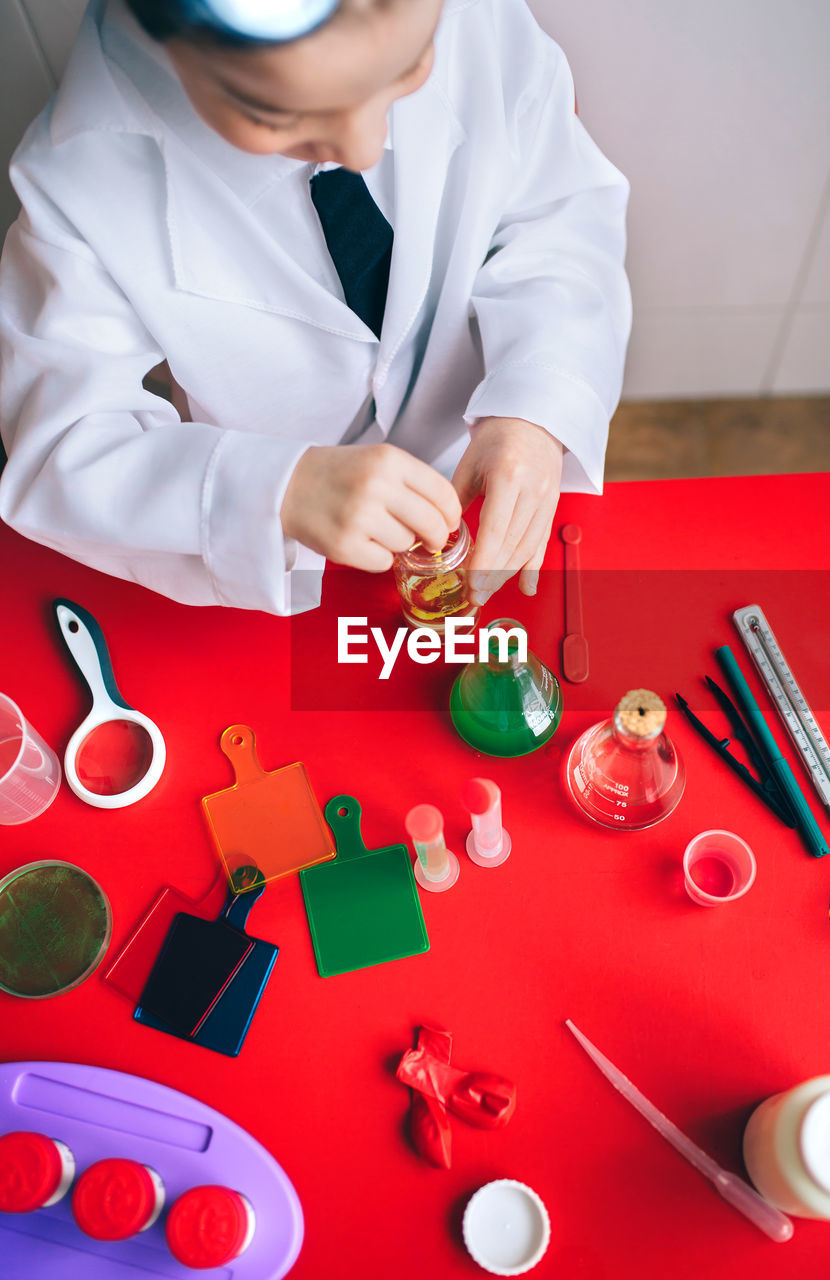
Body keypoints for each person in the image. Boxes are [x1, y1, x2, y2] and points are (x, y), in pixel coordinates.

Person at [0, 0, 631, 615]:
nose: (362, 147)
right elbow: (64, 446)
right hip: (281, 547)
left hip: (474, 453)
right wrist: (276, 490)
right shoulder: (79, 177)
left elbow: (558, 216)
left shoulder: (479, 20)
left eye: (409, 67)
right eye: (282, 116)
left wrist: (538, 403)